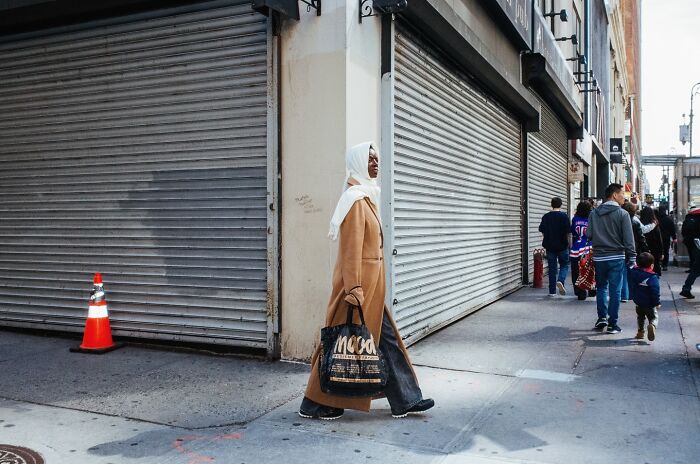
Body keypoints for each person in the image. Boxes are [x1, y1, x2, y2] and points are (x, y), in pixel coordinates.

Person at [299, 141, 434, 420]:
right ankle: (314, 402)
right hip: (358, 290)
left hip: (372, 289)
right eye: (370, 159)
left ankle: (405, 399)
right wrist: (354, 288)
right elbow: (350, 249)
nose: (375, 163)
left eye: (376, 159)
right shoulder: (354, 200)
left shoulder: (365, 196)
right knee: (339, 345)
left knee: (386, 341)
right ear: (358, 162)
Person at [587, 183, 636, 334]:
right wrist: (632, 256)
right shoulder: (623, 214)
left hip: (599, 257)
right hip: (617, 257)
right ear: (614, 195)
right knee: (615, 290)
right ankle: (612, 324)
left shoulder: (594, 213)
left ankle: (602, 318)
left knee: (601, 287)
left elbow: (589, 235)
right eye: (622, 194)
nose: (624, 197)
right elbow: (629, 238)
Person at [539, 197, 571, 296]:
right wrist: (569, 244)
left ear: (551, 204)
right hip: (562, 246)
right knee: (564, 265)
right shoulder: (564, 216)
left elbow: (542, 230)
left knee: (552, 268)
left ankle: (552, 291)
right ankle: (560, 280)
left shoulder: (546, 217)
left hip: (550, 246)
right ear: (560, 205)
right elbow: (568, 232)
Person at [628, 252, 661, 342]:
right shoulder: (652, 277)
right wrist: (657, 303)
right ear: (651, 265)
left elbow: (630, 268)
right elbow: (655, 291)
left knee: (640, 317)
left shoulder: (633, 273)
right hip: (650, 304)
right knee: (654, 317)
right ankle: (652, 326)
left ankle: (640, 332)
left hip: (638, 302)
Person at [570, 201, 593, 300]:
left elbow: (572, 232)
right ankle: (592, 290)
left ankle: (580, 292)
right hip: (589, 247)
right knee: (591, 269)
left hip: (576, 248)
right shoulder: (591, 219)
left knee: (576, 271)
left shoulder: (575, 219)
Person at [640, 207, 663, 275]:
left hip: (643, 249)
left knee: (643, 267)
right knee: (654, 267)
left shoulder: (640, 224)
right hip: (654, 249)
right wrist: (661, 252)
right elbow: (659, 240)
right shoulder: (654, 224)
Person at [656, 206, 676, 271]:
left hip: (657, 238)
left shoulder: (656, 219)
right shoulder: (669, 219)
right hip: (666, 238)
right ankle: (665, 265)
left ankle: (658, 263)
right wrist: (674, 238)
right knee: (666, 251)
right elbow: (672, 229)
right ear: (665, 211)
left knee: (658, 251)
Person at [681, 204, 700, 271]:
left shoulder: (688, 217)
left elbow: (684, 229)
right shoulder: (697, 217)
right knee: (695, 254)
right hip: (696, 239)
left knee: (692, 255)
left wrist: (685, 237)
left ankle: (693, 268)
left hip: (689, 240)